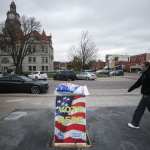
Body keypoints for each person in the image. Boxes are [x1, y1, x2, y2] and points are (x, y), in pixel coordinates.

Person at [128, 62, 150, 129]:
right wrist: (130, 89)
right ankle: (135, 123)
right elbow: (138, 82)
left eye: (142, 66)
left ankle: (135, 123)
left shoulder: (149, 74)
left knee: (139, 110)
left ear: (147, 67)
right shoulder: (144, 74)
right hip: (146, 95)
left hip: (147, 95)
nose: (141, 67)